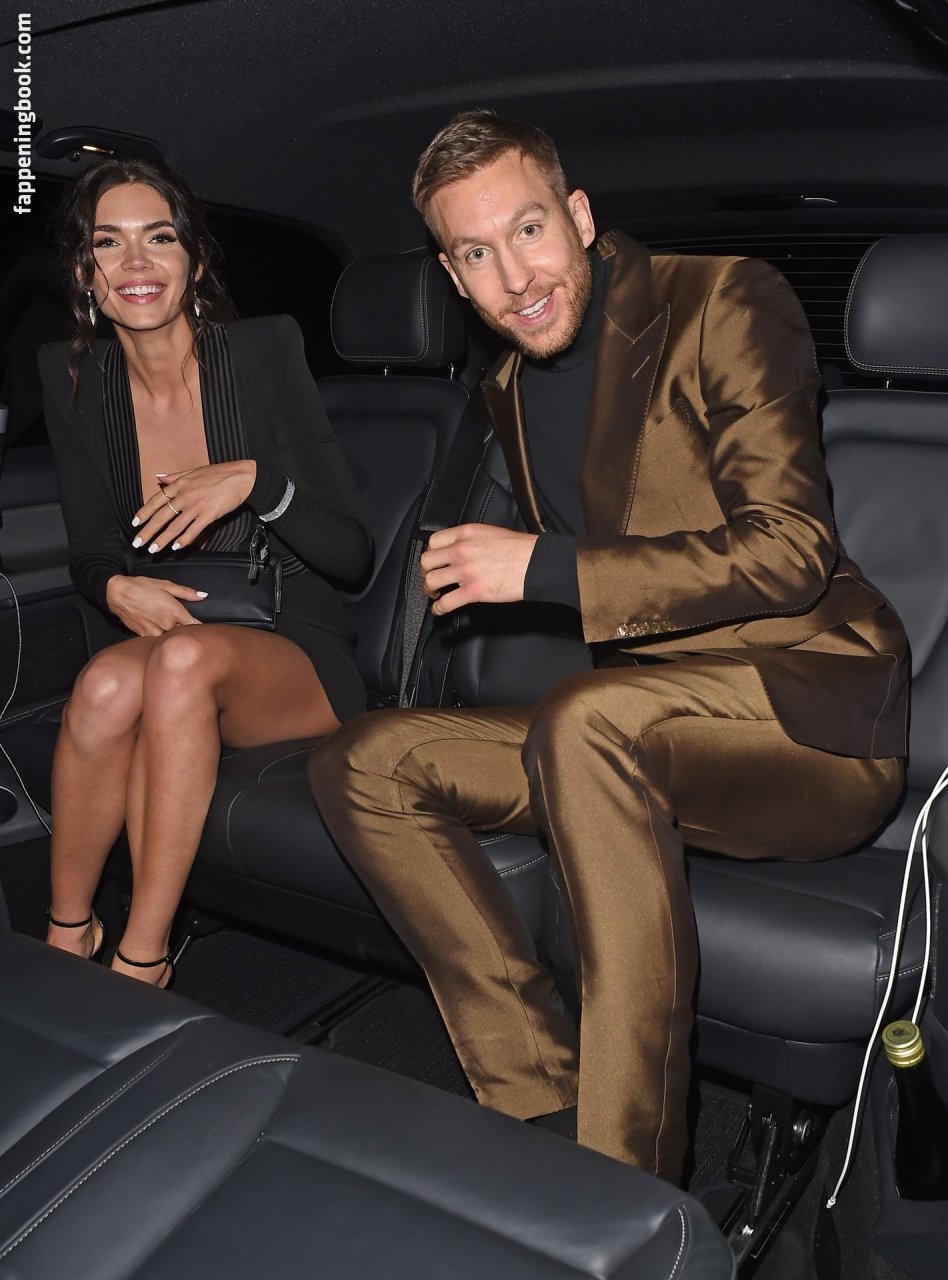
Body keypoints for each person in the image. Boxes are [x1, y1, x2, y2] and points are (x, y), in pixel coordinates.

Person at [309, 110, 909, 1183]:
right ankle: (537, 1093)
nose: (516, 278)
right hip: (637, 730)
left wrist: (542, 568)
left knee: (589, 724)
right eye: (476, 254)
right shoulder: (503, 390)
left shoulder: (721, 300)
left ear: (579, 216)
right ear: (452, 278)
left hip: (810, 719)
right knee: (365, 761)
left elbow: (790, 551)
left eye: (529, 229)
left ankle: (623, 1180)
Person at [41, 157, 371, 987]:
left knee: (181, 663)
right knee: (102, 687)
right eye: (107, 243)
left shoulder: (262, 352)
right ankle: (68, 934)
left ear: (193, 262)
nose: (136, 262)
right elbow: (90, 548)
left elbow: (352, 554)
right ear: (84, 273)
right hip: (176, 636)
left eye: (160, 238)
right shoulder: (75, 380)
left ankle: (143, 959)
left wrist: (256, 482)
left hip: (293, 645)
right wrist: (113, 587)